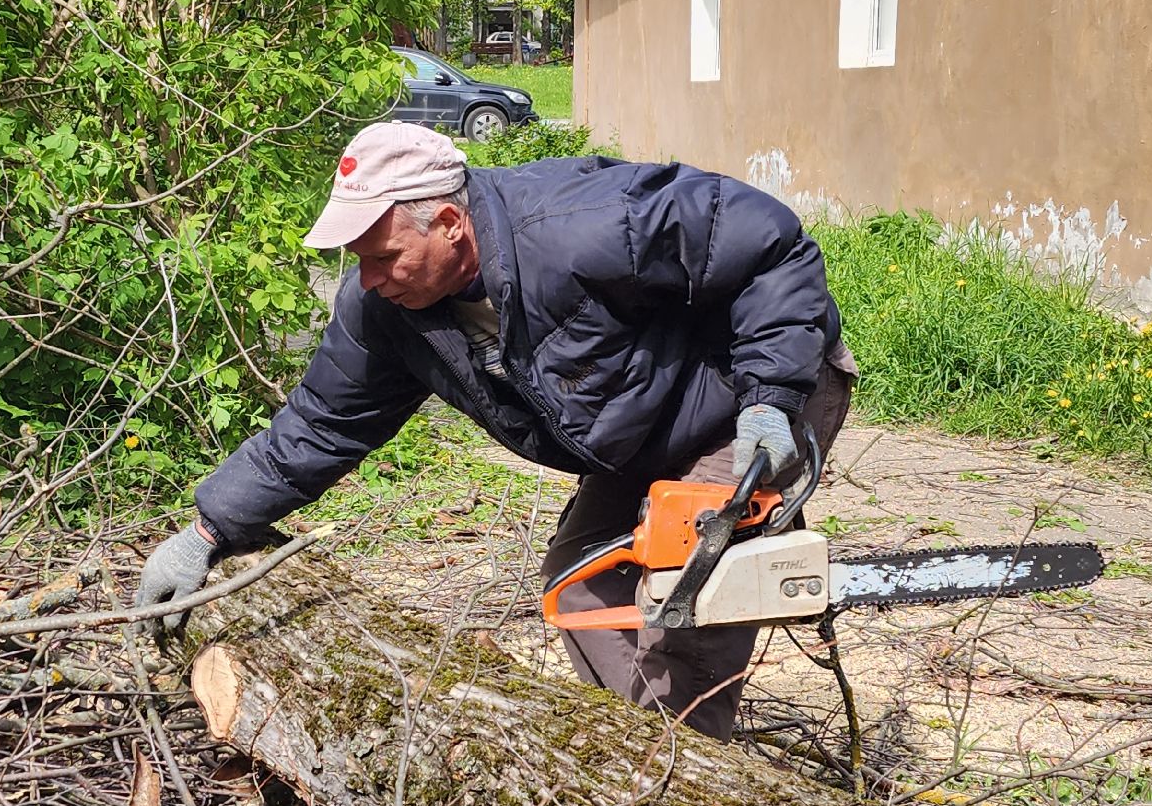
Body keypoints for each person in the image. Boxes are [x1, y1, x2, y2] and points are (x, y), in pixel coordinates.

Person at [138, 122, 856, 740]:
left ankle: (691, 797)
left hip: (756, 386)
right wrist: (207, 531)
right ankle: (646, 746)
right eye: (358, 259)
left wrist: (769, 395)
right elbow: (322, 422)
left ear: (450, 224)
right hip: (645, 421)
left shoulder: (587, 224)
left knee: (682, 588)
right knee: (579, 587)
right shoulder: (386, 309)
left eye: (383, 256)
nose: (370, 277)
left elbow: (772, 247)